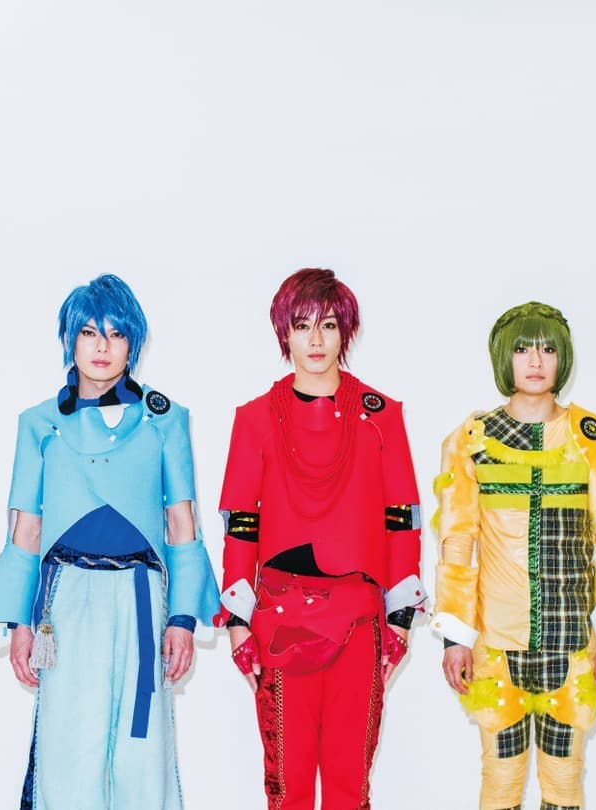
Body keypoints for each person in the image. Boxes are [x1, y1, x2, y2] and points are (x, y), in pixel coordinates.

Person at [0, 274, 219, 809]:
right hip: (65, 600)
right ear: (70, 340)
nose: (102, 347)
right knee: (67, 749)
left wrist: (181, 618)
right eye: (88, 333)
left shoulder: (164, 419)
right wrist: (19, 624)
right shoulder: (39, 424)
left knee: (142, 754)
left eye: (115, 334)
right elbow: (26, 531)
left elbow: (182, 522)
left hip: (141, 597)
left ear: (133, 342)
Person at [218, 268, 423, 810]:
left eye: (328, 325)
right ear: (284, 332)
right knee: (286, 786)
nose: (315, 339)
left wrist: (400, 620)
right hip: (281, 620)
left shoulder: (381, 415)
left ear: (345, 332)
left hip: (360, 619)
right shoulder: (255, 418)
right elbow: (241, 523)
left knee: (349, 785)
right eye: (302, 324)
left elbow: (402, 520)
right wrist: (238, 622)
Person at [433, 301, 596, 810]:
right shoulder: (470, 440)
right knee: (500, 781)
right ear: (503, 357)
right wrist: (455, 637)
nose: (534, 361)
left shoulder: (595, 437)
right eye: (523, 348)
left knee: (564, 782)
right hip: (496, 645)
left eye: (547, 349)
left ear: (562, 358)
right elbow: (457, 542)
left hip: (571, 645)